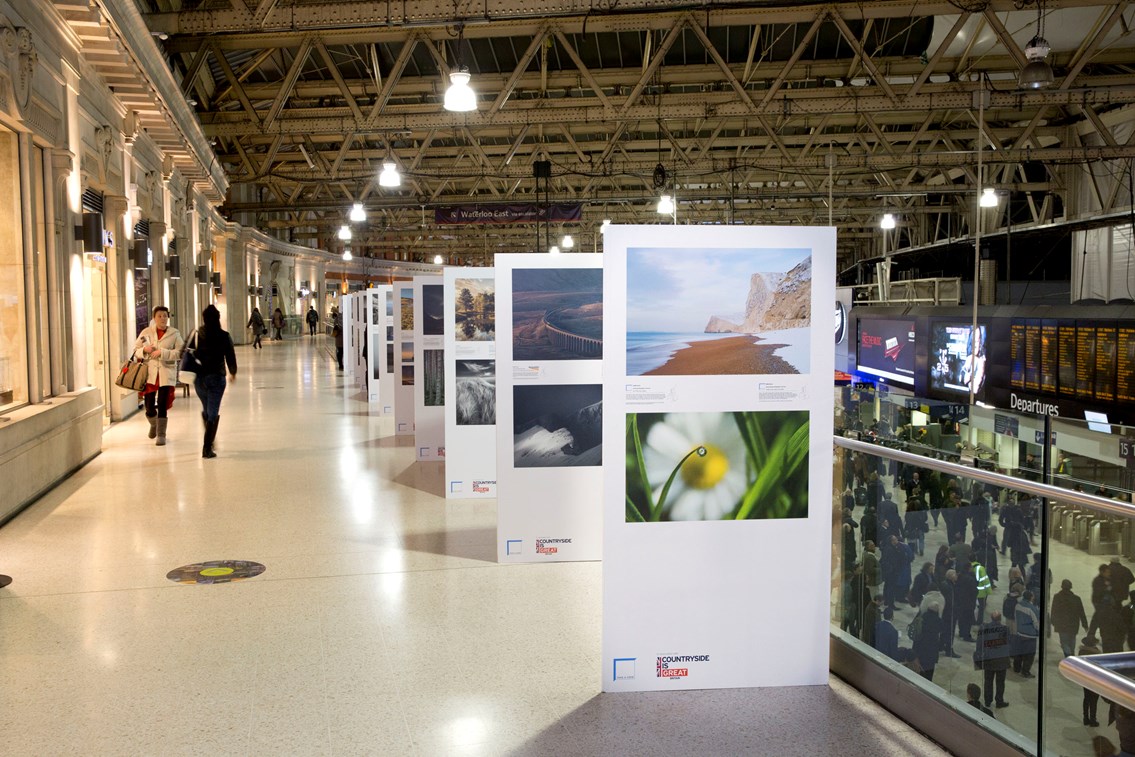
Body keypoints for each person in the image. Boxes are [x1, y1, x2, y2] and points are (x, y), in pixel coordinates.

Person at [133, 305, 184, 446]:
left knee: (162, 404)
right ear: (154, 318)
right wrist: (145, 349)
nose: (162, 318)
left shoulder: (174, 333)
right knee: (149, 406)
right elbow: (135, 350)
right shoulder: (146, 332)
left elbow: (181, 352)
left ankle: (161, 435)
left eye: (165, 316)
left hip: (166, 372)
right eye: (159, 316)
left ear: (168, 317)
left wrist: (163, 353)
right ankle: (154, 424)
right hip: (150, 374)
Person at [192, 305, 238, 459]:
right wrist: (233, 372)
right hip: (216, 378)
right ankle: (207, 447)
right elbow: (230, 355)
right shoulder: (224, 336)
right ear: (218, 319)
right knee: (212, 413)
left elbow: (184, 353)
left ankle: (210, 439)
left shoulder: (197, 335)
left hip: (199, 379)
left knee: (207, 409)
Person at [974, 610, 1011, 709]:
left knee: (988, 681)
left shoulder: (984, 628)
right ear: (1000, 619)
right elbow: (1008, 643)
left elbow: (979, 643)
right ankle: (999, 701)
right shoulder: (1005, 629)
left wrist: (979, 655)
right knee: (1000, 682)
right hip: (1001, 660)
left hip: (989, 659)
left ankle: (987, 701)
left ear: (991, 618)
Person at [1051, 579, 1089, 657]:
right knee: (1072, 642)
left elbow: (1054, 610)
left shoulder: (1057, 597)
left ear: (1062, 587)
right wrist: (1085, 624)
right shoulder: (1076, 598)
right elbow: (1081, 612)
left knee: (1064, 642)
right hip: (1073, 625)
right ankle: (1071, 655)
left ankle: (1069, 655)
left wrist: (1053, 621)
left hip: (1062, 625)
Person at [1014, 590, 1040, 678]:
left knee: (1019, 652)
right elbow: (1036, 623)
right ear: (1031, 597)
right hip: (1030, 635)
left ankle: (1016, 668)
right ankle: (1025, 672)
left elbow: (1016, 617)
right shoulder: (1032, 609)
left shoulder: (1018, 605)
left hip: (1019, 632)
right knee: (1029, 655)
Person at [1079, 635, 1102, 727]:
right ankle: (1093, 719)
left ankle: (1085, 718)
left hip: (1085, 678)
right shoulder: (1096, 652)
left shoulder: (1081, 651)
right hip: (1095, 679)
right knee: (1094, 700)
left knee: (1087, 698)